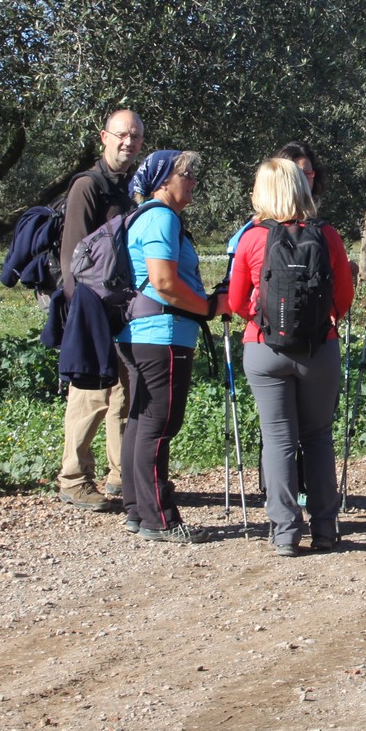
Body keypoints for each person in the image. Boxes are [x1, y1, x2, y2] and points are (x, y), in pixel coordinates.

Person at [229, 158, 356, 556]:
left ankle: (285, 532)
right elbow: (344, 297)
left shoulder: (252, 238)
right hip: (319, 348)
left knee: (278, 439)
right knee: (317, 436)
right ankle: (325, 529)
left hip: (264, 348)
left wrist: (262, 319)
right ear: (302, 188)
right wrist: (321, 321)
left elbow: (235, 301)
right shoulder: (327, 235)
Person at [118, 149, 227, 544]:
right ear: (163, 180)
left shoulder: (144, 217)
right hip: (162, 335)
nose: (194, 181)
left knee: (141, 421)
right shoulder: (161, 218)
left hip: (139, 333)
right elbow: (163, 282)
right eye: (187, 174)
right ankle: (159, 519)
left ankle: (137, 510)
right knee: (158, 425)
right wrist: (209, 307)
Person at [56, 108, 143, 511]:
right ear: (104, 137)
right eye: (122, 134)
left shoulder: (128, 188)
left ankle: (122, 476)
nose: (129, 142)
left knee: (123, 393)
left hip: (120, 308)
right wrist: (83, 314)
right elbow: (72, 257)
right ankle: (74, 478)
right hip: (91, 308)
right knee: (89, 393)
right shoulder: (87, 187)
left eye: (136, 136)